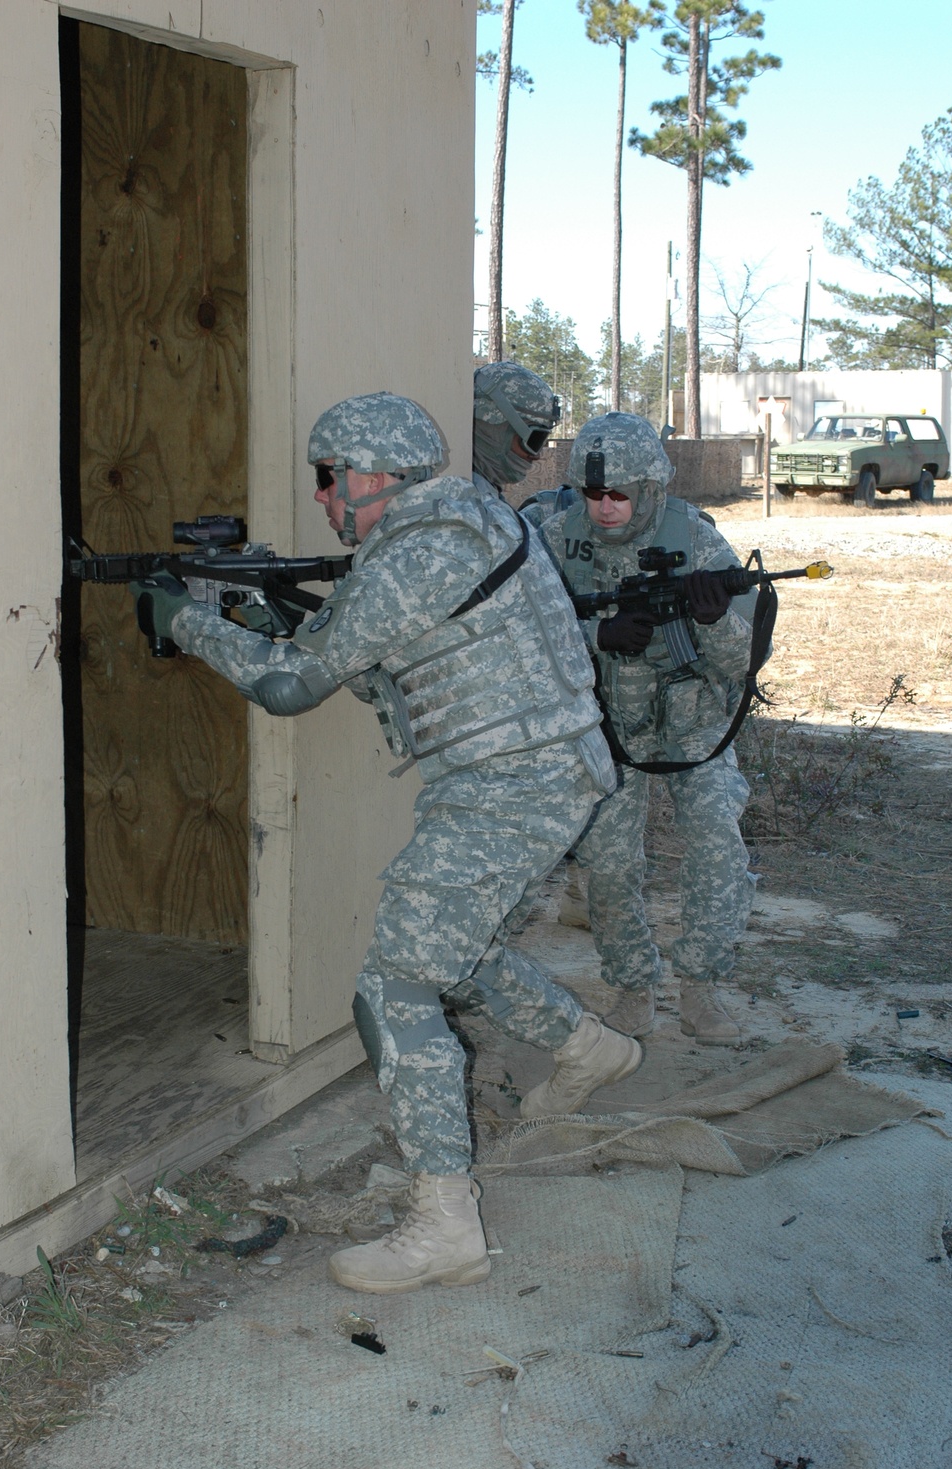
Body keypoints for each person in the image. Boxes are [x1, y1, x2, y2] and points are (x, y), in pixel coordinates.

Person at [130, 391, 643, 1295]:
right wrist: (261, 618)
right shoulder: (461, 517)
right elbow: (358, 642)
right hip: (551, 770)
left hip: (509, 786)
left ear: (371, 477)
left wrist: (184, 620)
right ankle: (591, 1049)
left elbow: (291, 686)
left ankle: (444, 1226)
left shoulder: (416, 555)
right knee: (458, 952)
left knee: (393, 987)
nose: (324, 499)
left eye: (328, 480)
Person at [528, 412, 758, 1046]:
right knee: (607, 864)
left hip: (694, 723)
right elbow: (517, 641)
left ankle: (702, 990)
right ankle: (632, 988)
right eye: (592, 495)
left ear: (651, 489)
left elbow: (745, 663)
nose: (604, 509)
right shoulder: (549, 541)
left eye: (619, 495)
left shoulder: (700, 544)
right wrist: (595, 635)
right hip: (608, 727)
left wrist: (714, 623)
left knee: (715, 845)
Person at [471, 360, 565, 504]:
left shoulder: (485, 498)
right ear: (494, 427)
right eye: (535, 439)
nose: (536, 455)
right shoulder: (458, 501)